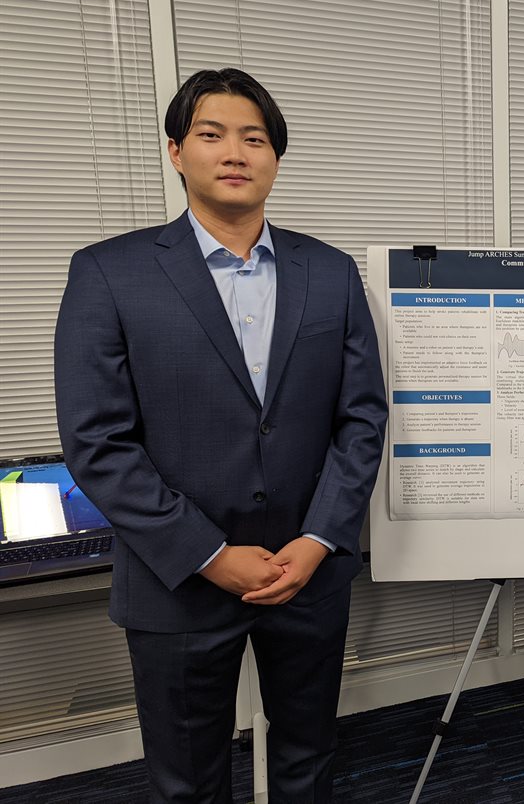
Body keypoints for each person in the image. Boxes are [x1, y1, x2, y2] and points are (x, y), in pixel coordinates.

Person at [54, 68, 388, 803]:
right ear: (177, 152)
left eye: (254, 137)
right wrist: (208, 553)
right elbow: (97, 440)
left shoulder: (329, 273)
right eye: (211, 134)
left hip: (307, 572)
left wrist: (319, 539)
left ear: (275, 157)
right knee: (189, 781)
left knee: (308, 762)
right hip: (178, 580)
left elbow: (361, 418)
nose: (234, 151)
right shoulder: (109, 273)